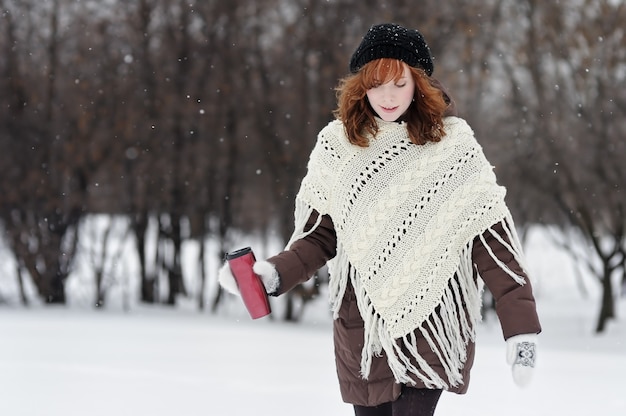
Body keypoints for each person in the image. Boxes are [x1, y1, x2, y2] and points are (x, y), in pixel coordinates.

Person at [219, 23, 541, 416]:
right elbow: (321, 238)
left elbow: (490, 239)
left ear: (419, 84)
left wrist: (521, 327)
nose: (387, 96)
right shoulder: (338, 145)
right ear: (361, 86)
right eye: (375, 83)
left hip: (432, 321)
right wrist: (272, 273)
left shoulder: (453, 146)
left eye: (399, 83)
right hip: (362, 327)